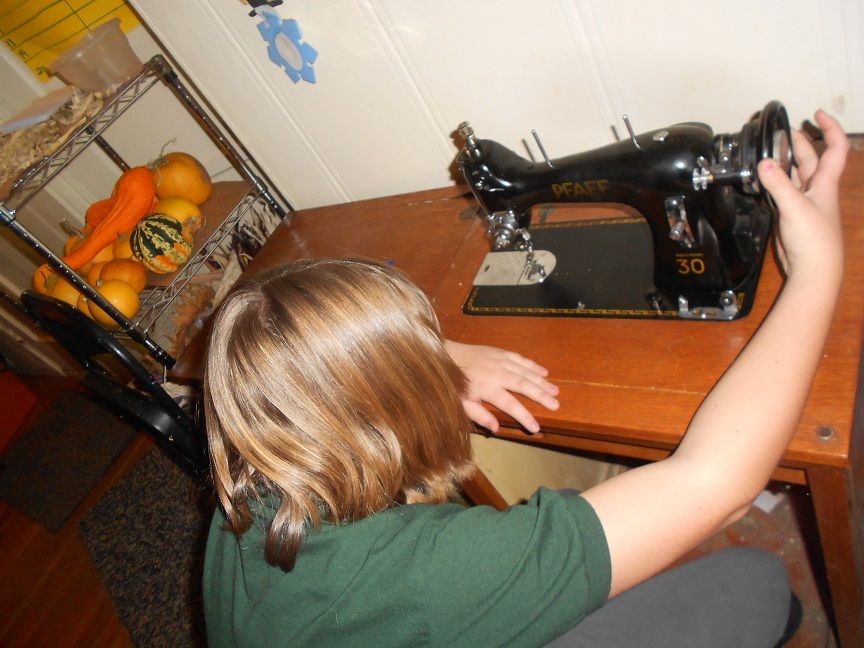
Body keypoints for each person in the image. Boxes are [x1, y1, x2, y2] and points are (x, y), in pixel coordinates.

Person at [201, 110, 848, 647]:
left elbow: (284, 349)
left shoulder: (255, 484)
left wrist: (424, 354)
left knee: (575, 523)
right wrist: (818, 271)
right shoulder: (432, 577)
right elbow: (720, 482)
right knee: (754, 583)